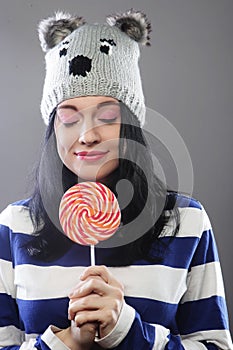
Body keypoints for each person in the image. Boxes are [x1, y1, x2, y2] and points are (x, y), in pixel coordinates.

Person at [0, 9, 232, 350]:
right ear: (53, 129)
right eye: (68, 118)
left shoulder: (187, 222)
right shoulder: (15, 225)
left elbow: (214, 345)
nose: (88, 134)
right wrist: (67, 343)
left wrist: (126, 330)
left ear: (131, 126)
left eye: (107, 116)